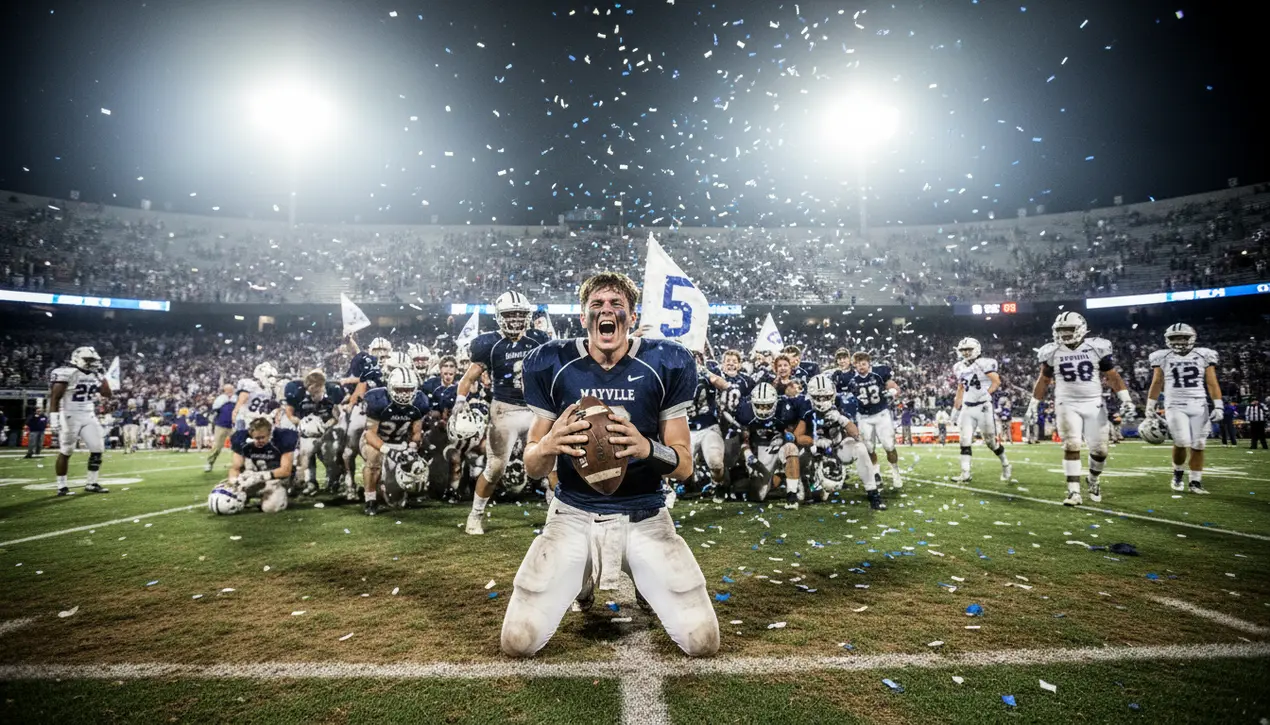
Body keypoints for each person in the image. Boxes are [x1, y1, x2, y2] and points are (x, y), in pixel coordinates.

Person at [501, 271, 718, 658]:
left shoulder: (664, 361)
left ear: (632, 316)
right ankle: (581, 575)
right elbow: (533, 466)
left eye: (617, 305)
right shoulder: (552, 362)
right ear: (583, 317)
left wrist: (647, 448)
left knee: (702, 641)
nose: (608, 311)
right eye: (597, 305)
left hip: (646, 515)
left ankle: (639, 573)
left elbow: (684, 467)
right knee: (518, 641)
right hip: (573, 514)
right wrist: (548, 443)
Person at [459, 291, 550, 534]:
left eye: (521, 315)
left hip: (535, 409)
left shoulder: (538, 339)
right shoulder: (489, 343)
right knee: (496, 467)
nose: (516, 320)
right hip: (505, 410)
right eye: (511, 315)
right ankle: (475, 516)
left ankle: (555, 518)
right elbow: (469, 378)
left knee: (551, 464)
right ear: (500, 317)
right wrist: (460, 401)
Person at [1026, 312, 1134, 506]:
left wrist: (1126, 400)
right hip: (1066, 403)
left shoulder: (1096, 347)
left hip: (1094, 402)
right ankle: (1073, 492)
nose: (1064, 334)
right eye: (1061, 330)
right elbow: (1044, 379)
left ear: (1081, 329)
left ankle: (1092, 479)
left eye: (1069, 329)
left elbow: (1112, 376)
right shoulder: (1052, 351)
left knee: (1100, 450)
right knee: (1071, 445)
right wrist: (1033, 403)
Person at [1144, 324, 1223, 493]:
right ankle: (1178, 473)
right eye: (1174, 338)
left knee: (1199, 444)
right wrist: (1150, 405)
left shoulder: (1204, 355)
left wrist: (1218, 405)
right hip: (1175, 404)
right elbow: (1157, 382)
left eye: (1183, 337)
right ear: (1168, 340)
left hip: (1199, 403)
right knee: (1181, 442)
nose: (1179, 341)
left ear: (1191, 338)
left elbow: (1211, 381)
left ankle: (1195, 481)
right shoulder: (1162, 356)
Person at [49, 346, 112, 495]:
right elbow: (55, 398)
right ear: (77, 359)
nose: (91, 363)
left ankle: (92, 482)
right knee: (66, 450)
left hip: (88, 414)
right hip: (69, 414)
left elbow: (107, 394)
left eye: (93, 360)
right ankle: (62, 486)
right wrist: (54, 419)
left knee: (98, 448)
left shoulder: (95, 375)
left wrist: (103, 377)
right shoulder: (66, 373)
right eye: (88, 360)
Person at [950, 338, 1011, 483]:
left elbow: (996, 381)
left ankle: (1006, 464)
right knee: (964, 440)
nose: (965, 353)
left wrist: (987, 393)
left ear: (976, 349)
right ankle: (965, 473)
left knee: (990, 442)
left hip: (983, 406)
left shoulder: (984, 363)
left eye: (968, 350)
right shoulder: (958, 367)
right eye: (963, 350)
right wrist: (955, 408)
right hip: (967, 407)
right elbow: (960, 388)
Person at [843, 351, 904, 489]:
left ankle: (895, 472)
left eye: (863, 363)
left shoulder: (879, 372)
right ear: (854, 366)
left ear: (869, 363)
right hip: (863, 417)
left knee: (889, 446)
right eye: (858, 365)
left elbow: (893, 386)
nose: (861, 367)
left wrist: (893, 391)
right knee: (869, 448)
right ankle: (876, 474)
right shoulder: (851, 379)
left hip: (881, 414)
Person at [225, 416, 298, 513]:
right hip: (254, 477)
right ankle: (247, 495)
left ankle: (290, 491)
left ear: (269, 434)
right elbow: (235, 467)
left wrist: (260, 476)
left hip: (278, 479)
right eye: (256, 438)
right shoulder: (242, 439)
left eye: (263, 437)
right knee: (227, 495)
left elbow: (286, 470)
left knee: (270, 508)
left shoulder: (281, 438)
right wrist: (234, 482)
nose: (260, 441)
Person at [205, 384, 237, 472]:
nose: (230, 392)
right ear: (225, 391)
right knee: (217, 446)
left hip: (234, 426)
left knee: (237, 446)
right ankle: (210, 463)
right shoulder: (220, 399)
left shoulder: (236, 398)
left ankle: (238, 464)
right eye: (228, 390)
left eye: (231, 390)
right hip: (221, 425)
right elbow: (214, 412)